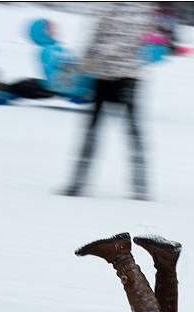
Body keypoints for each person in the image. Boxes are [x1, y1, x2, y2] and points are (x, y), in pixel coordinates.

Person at [63, 2, 154, 200]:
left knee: (93, 130)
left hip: (106, 76)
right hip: (129, 76)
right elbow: (147, 40)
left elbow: (96, 40)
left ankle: (77, 183)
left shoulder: (106, 6)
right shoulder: (142, 7)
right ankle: (141, 188)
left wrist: (84, 67)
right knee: (132, 132)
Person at [29, 19, 95, 104]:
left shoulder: (51, 49)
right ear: (45, 32)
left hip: (67, 84)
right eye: (52, 29)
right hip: (70, 86)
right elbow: (69, 63)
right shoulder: (51, 50)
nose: (55, 31)